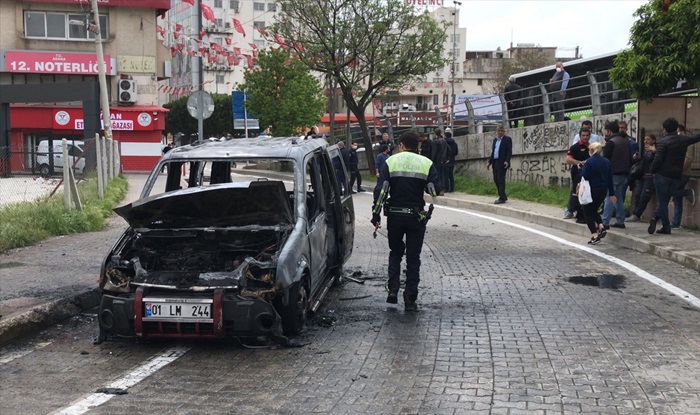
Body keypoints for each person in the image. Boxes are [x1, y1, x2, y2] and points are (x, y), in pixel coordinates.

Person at [371, 130, 442, 311]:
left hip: (394, 215)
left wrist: (376, 215)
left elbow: (381, 191)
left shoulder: (391, 161)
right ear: (417, 146)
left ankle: (393, 290)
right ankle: (410, 297)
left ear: (401, 145)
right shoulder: (426, 163)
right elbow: (434, 190)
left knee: (395, 252)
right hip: (416, 217)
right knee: (413, 257)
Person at [649, 118, 700, 234]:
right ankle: (657, 219)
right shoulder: (683, 140)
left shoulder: (663, 142)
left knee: (662, 201)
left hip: (662, 174)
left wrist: (652, 171)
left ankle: (666, 226)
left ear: (665, 129)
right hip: (676, 175)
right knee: (669, 196)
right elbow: (696, 137)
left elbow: (658, 159)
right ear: (676, 128)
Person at [579, 142, 616, 245]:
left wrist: (580, 169)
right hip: (603, 189)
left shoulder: (589, 162)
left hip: (592, 189)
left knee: (587, 211)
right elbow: (610, 178)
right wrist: (612, 193)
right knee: (594, 209)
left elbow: (585, 176)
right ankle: (601, 226)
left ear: (591, 151)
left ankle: (595, 235)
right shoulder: (607, 162)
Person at [601, 121, 631, 229]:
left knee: (609, 197)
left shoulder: (611, 143)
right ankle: (620, 220)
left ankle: (605, 222)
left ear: (609, 131)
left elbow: (605, 160)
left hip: (612, 174)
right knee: (618, 198)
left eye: (607, 131)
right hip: (623, 173)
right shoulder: (625, 142)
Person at [626, 134, 657, 222]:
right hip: (642, 175)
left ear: (653, 141)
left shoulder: (655, 150)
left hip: (650, 176)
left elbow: (658, 159)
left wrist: (654, 151)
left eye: (648, 139)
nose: (646, 141)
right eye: (645, 139)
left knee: (644, 196)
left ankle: (637, 214)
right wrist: (637, 158)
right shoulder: (645, 150)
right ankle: (635, 213)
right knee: (637, 195)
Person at [671, 125, 696, 227]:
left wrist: (678, 169)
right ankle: (676, 222)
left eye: (678, 132)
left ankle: (687, 193)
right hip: (676, 173)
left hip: (683, 173)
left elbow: (688, 159)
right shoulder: (678, 142)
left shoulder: (688, 143)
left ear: (682, 132)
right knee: (677, 198)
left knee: (670, 191)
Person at [566, 128, 592, 224]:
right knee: (577, 194)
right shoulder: (575, 147)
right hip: (577, 174)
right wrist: (578, 162)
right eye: (583, 135)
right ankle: (578, 214)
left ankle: (586, 214)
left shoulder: (591, 147)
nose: (585, 137)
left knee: (587, 194)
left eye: (587, 135)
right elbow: (568, 159)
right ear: (580, 136)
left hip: (589, 175)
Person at [486, 126, 512, 204]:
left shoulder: (507, 139)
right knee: (496, 179)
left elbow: (509, 151)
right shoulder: (495, 140)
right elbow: (493, 152)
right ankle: (503, 194)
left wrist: (507, 161)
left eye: (502, 130)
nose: (500, 132)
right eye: (499, 130)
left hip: (502, 163)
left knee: (501, 180)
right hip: (495, 162)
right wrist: (489, 162)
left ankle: (502, 198)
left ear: (504, 132)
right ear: (496, 132)